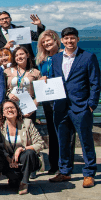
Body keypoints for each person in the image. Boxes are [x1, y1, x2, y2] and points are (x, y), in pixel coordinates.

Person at [49, 27, 101, 188]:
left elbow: (95, 83)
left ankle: (89, 173)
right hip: (61, 107)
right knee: (62, 141)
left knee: (86, 141)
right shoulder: (56, 58)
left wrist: (91, 104)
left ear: (78, 39)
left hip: (81, 106)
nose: (69, 41)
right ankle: (64, 171)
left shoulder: (88, 57)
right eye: (66, 39)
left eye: (72, 38)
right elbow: (52, 79)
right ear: (62, 41)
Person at [0, 100, 45, 195]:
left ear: (17, 110)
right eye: (6, 108)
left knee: (29, 153)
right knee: (13, 181)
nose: (10, 110)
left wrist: (22, 149)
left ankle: (24, 182)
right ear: (3, 113)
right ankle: (14, 178)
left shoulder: (27, 123)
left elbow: (40, 143)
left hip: (26, 159)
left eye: (12, 107)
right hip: (9, 161)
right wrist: (8, 158)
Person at [36, 29, 62, 174]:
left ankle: (64, 164)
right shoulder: (42, 60)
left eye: (48, 41)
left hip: (61, 99)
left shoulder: (63, 56)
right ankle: (54, 165)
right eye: (43, 42)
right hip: (48, 99)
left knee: (63, 132)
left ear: (56, 40)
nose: (46, 44)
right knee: (52, 132)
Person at [5, 46, 41, 120]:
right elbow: (1, 88)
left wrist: (33, 107)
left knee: (28, 130)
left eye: (21, 54)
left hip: (28, 107)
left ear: (27, 55)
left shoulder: (36, 72)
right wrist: (8, 94)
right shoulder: (7, 72)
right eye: (16, 55)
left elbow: (40, 93)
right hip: (11, 107)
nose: (19, 57)